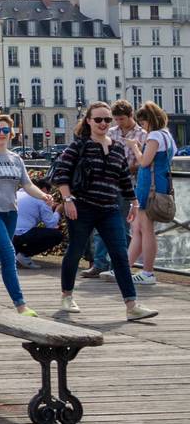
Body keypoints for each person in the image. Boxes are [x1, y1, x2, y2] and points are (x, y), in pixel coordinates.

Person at [52, 103, 158, 321]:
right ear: (88, 121)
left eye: (107, 120)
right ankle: (67, 295)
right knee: (76, 249)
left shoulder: (118, 148)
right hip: (82, 206)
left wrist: (134, 202)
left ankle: (132, 304)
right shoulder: (78, 146)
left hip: (109, 208)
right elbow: (61, 174)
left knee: (119, 254)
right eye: (98, 119)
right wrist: (68, 199)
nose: (103, 124)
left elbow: (123, 179)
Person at [0, 113, 51, 316]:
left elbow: (27, 184)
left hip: (10, 213)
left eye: (5, 130)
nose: (2, 133)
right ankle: (20, 304)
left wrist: (43, 197)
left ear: (11, 133)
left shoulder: (16, 158)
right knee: (8, 253)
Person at [84, 101, 145, 278]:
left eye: (121, 119)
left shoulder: (142, 134)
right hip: (107, 186)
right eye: (115, 119)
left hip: (128, 185)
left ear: (130, 116)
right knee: (100, 226)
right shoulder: (111, 132)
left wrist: (124, 168)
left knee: (121, 226)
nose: (118, 122)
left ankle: (119, 263)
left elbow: (142, 163)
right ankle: (100, 263)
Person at [123, 102, 176, 287]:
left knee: (145, 230)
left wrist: (135, 147)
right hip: (160, 183)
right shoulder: (167, 135)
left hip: (149, 186)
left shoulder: (154, 136)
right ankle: (124, 268)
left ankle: (147, 272)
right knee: (138, 227)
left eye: (143, 122)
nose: (142, 126)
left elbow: (144, 162)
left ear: (149, 121)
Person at [14, 177, 64, 265]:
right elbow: (51, 225)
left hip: (8, 234)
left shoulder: (17, 194)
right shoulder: (43, 198)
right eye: (49, 191)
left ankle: (13, 254)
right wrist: (57, 211)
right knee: (57, 235)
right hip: (23, 236)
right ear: (44, 189)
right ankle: (24, 255)